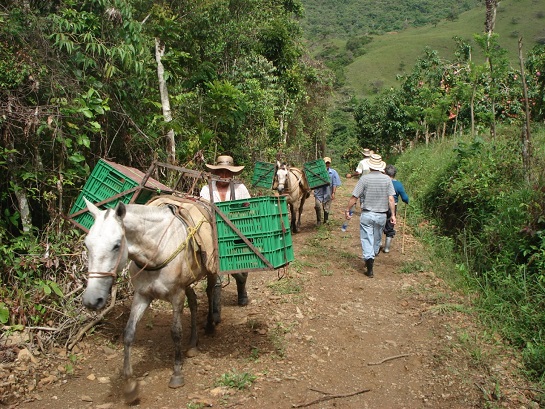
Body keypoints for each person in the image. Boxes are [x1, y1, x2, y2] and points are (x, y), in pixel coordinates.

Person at [200, 155, 250, 307]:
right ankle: (215, 309)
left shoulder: (239, 188)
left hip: (235, 232)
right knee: (216, 273)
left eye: (227, 172)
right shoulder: (206, 188)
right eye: (221, 171)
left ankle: (242, 290)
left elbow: (248, 207)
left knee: (241, 271)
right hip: (213, 233)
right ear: (216, 172)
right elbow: (202, 209)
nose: (224, 175)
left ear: (232, 174)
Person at [344, 153, 396, 278]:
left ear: (370, 166)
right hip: (381, 215)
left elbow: (354, 197)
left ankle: (369, 264)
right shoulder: (387, 179)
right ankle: (371, 257)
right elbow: (391, 199)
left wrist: (347, 209)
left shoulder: (364, 179)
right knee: (377, 238)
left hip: (367, 213)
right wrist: (393, 214)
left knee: (367, 238)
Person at [382, 164, 409, 253]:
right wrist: (406, 201)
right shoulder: (398, 184)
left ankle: (377, 243)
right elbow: (404, 197)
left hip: (380, 205)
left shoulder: (382, 181)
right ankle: (387, 247)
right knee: (390, 225)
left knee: (379, 224)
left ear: (385, 173)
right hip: (392, 207)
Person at [313, 157, 341, 226]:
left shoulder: (333, 172)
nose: (327, 164)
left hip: (328, 192)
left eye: (328, 163)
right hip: (318, 193)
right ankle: (319, 221)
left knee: (327, 207)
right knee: (317, 206)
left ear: (330, 163)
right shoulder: (317, 172)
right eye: (326, 163)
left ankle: (326, 220)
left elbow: (334, 183)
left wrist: (333, 193)